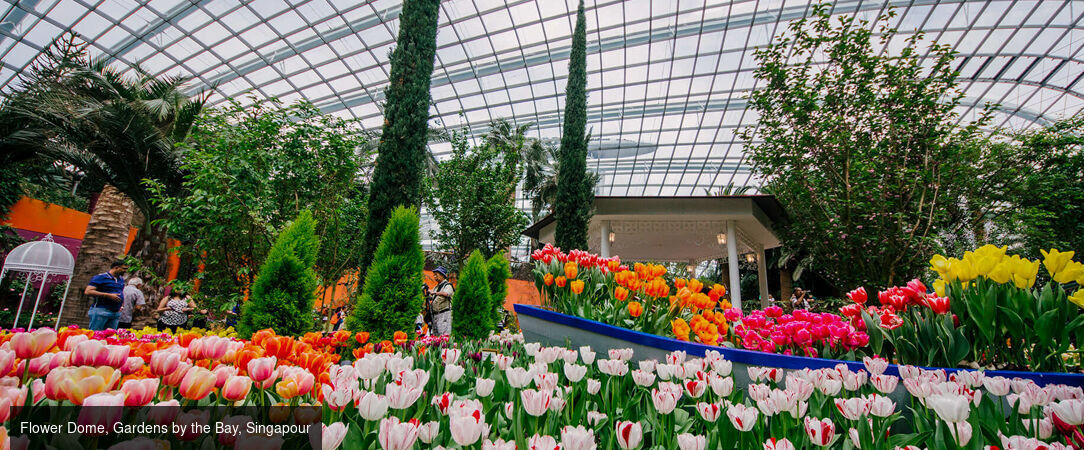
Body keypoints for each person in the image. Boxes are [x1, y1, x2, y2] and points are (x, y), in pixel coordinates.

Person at [84, 260, 128, 331]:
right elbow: (88, 291)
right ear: (116, 268)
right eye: (123, 268)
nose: (125, 271)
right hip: (101, 310)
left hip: (115, 313)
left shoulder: (121, 279)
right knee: (96, 334)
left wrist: (121, 305)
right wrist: (107, 295)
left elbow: (121, 292)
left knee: (109, 336)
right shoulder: (101, 277)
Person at [428, 267, 455, 336]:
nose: (435, 277)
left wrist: (434, 293)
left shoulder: (448, 285)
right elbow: (432, 297)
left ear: (442, 275)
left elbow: (446, 294)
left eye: (436, 275)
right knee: (436, 335)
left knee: (444, 336)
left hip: (444, 314)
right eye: (434, 275)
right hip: (435, 315)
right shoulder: (436, 287)